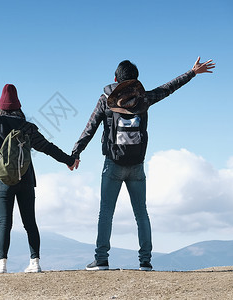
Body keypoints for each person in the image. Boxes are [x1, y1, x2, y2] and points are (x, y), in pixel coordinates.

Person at [70, 57, 215, 271]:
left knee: (106, 212)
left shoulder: (105, 100)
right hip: (137, 165)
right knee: (141, 212)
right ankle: (145, 261)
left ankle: (101, 259)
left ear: (116, 79)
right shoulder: (143, 98)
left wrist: (75, 153)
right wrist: (192, 72)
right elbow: (169, 88)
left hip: (113, 163)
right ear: (135, 80)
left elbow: (90, 128)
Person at [0, 80, 78, 273]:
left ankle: (2, 264)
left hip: (4, 181)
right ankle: (35, 263)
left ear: (1, 106)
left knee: (5, 223)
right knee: (30, 222)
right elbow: (47, 148)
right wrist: (68, 159)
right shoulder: (28, 128)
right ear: (19, 106)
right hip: (25, 179)